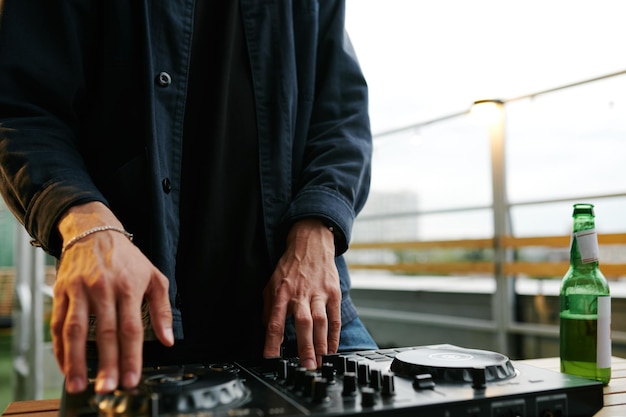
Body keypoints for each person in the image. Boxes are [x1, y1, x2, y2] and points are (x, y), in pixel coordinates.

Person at [0, 0, 377, 395]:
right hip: (135, 320)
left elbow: (343, 116)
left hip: (299, 313)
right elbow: (23, 111)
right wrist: (87, 225)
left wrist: (318, 231)